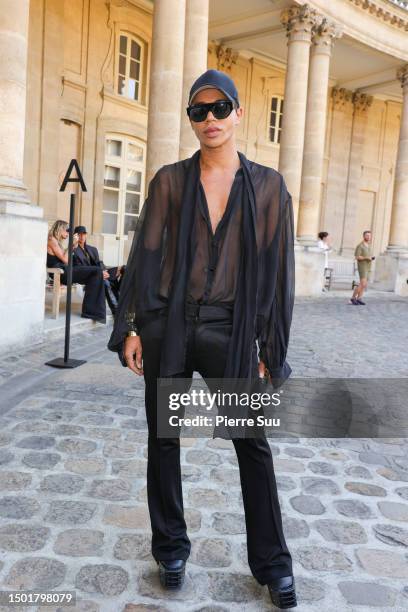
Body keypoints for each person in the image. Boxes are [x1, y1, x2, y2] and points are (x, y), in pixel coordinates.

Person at [108, 69, 297, 609]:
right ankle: (170, 548)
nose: (210, 119)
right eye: (199, 110)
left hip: (229, 329)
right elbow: (145, 257)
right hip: (169, 325)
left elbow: (277, 276)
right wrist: (133, 327)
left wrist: (268, 349)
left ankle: (273, 564)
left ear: (239, 114)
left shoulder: (267, 188)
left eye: (220, 108)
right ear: (191, 119)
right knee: (164, 442)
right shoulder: (169, 180)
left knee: (252, 446)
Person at [46, 220, 106, 323]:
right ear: (61, 229)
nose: (68, 234)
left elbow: (66, 259)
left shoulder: (57, 242)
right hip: (60, 273)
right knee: (96, 271)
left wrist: (73, 246)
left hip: (65, 270)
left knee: (97, 272)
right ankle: (91, 312)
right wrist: (72, 245)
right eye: (67, 231)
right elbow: (65, 259)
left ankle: (92, 312)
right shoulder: (51, 240)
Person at [72, 225, 126, 315]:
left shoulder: (92, 249)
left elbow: (99, 262)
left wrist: (105, 271)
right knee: (105, 282)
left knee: (124, 269)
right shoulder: (74, 249)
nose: (82, 237)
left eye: (84, 234)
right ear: (75, 236)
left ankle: (122, 300)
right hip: (89, 275)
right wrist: (101, 273)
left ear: (86, 235)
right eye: (79, 235)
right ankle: (116, 309)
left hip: (100, 271)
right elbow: (79, 267)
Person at [349, 230, 375, 305]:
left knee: (364, 284)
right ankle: (353, 298)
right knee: (362, 283)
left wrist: (371, 257)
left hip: (368, 267)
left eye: (369, 236)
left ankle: (359, 298)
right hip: (362, 267)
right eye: (367, 235)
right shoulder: (360, 246)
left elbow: (369, 256)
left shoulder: (369, 246)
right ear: (363, 236)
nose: (368, 237)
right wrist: (367, 258)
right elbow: (357, 257)